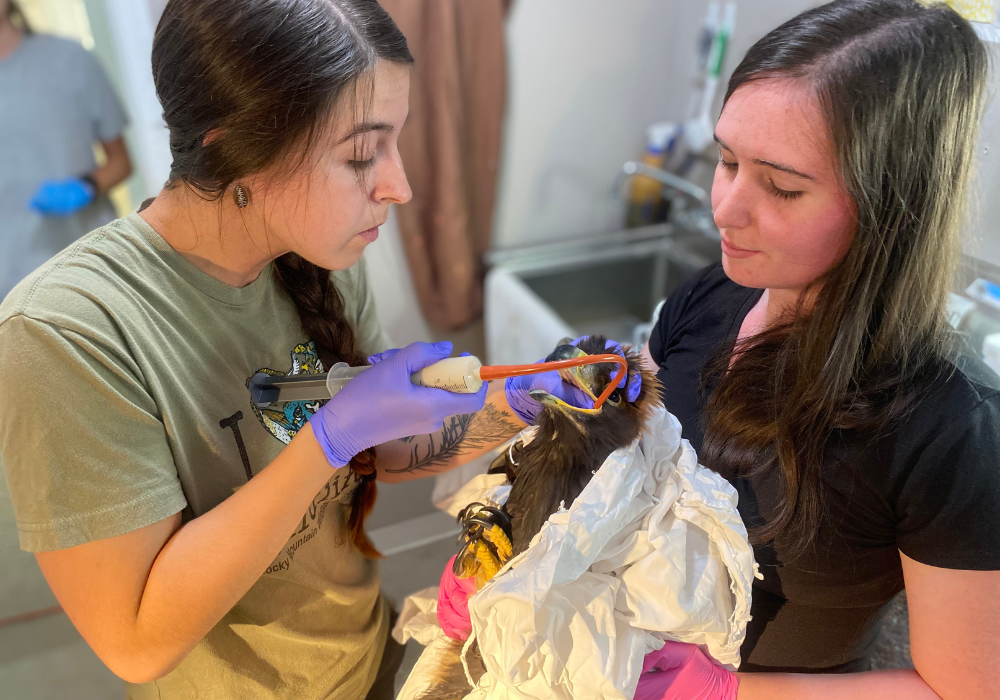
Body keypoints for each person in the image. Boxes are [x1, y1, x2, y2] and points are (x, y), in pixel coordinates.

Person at [0, 1, 618, 698]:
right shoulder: (65, 333)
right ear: (234, 148)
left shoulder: (315, 254)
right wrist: (326, 435)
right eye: (361, 153)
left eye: (395, 143)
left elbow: (381, 450)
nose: (400, 186)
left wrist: (518, 405)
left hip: (367, 657)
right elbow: (137, 642)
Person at [634, 0, 1000, 698]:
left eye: (780, 186)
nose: (726, 208)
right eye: (727, 160)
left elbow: (963, 688)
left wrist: (722, 692)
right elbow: (633, 438)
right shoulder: (713, 294)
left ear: (893, 207)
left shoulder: (955, 430)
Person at [0, 0, 133, 298]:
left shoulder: (71, 59)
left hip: (91, 269)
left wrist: (85, 186)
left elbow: (121, 162)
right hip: (10, 292)